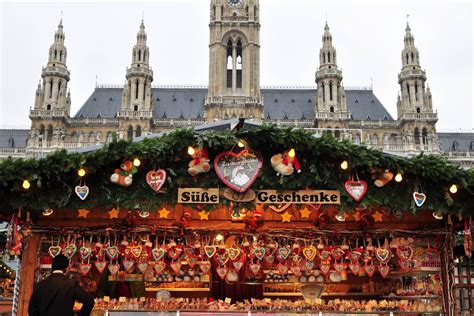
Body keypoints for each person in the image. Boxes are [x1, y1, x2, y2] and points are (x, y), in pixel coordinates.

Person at [28, 254, 94, 316]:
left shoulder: (39, 285)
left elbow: (32, 310)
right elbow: (89, 301)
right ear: (66, 268)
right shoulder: (71, 284)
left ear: (53, 267)